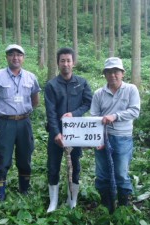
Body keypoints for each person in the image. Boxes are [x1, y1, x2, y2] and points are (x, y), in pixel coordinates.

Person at [0, 44, 41, 201]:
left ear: (23, 58)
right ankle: (0, 194)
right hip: (6, 123)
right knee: (2, 157)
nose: (15, 57)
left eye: (19, 55)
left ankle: (24, 190)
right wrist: (2, 110)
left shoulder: (31, 77)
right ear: (7, 57)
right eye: (11, 54)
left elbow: (35, 99)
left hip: (24, 123)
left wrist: (25, 111)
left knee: (25, 156)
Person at [44, 47, 92, 212]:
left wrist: (74, 113)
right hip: (55, 133)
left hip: (76, 131)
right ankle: (53, 202)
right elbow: (50, 112)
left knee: (75, 165)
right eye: (62, 60)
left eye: (68, 60)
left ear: (73, 62)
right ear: (58, 63)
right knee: (53, 165)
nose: (66, 64)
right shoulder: (51, 85)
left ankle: (72, 200)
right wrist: (56, 132)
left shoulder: (82, 82)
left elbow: (88, 103)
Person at [90, 57, 140, 213]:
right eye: (109, 72)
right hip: (103, 137)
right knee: (102, 173)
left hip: (123, 137)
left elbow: (134, 111)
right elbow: (94, 116)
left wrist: (115, 116)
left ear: (122, 73)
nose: (113, 75)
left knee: (120, 172)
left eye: (116, 71)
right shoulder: (99, 93)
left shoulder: (131, 89)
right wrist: (97, 139)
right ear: (104, 74)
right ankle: (107, 204)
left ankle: (123, 206)